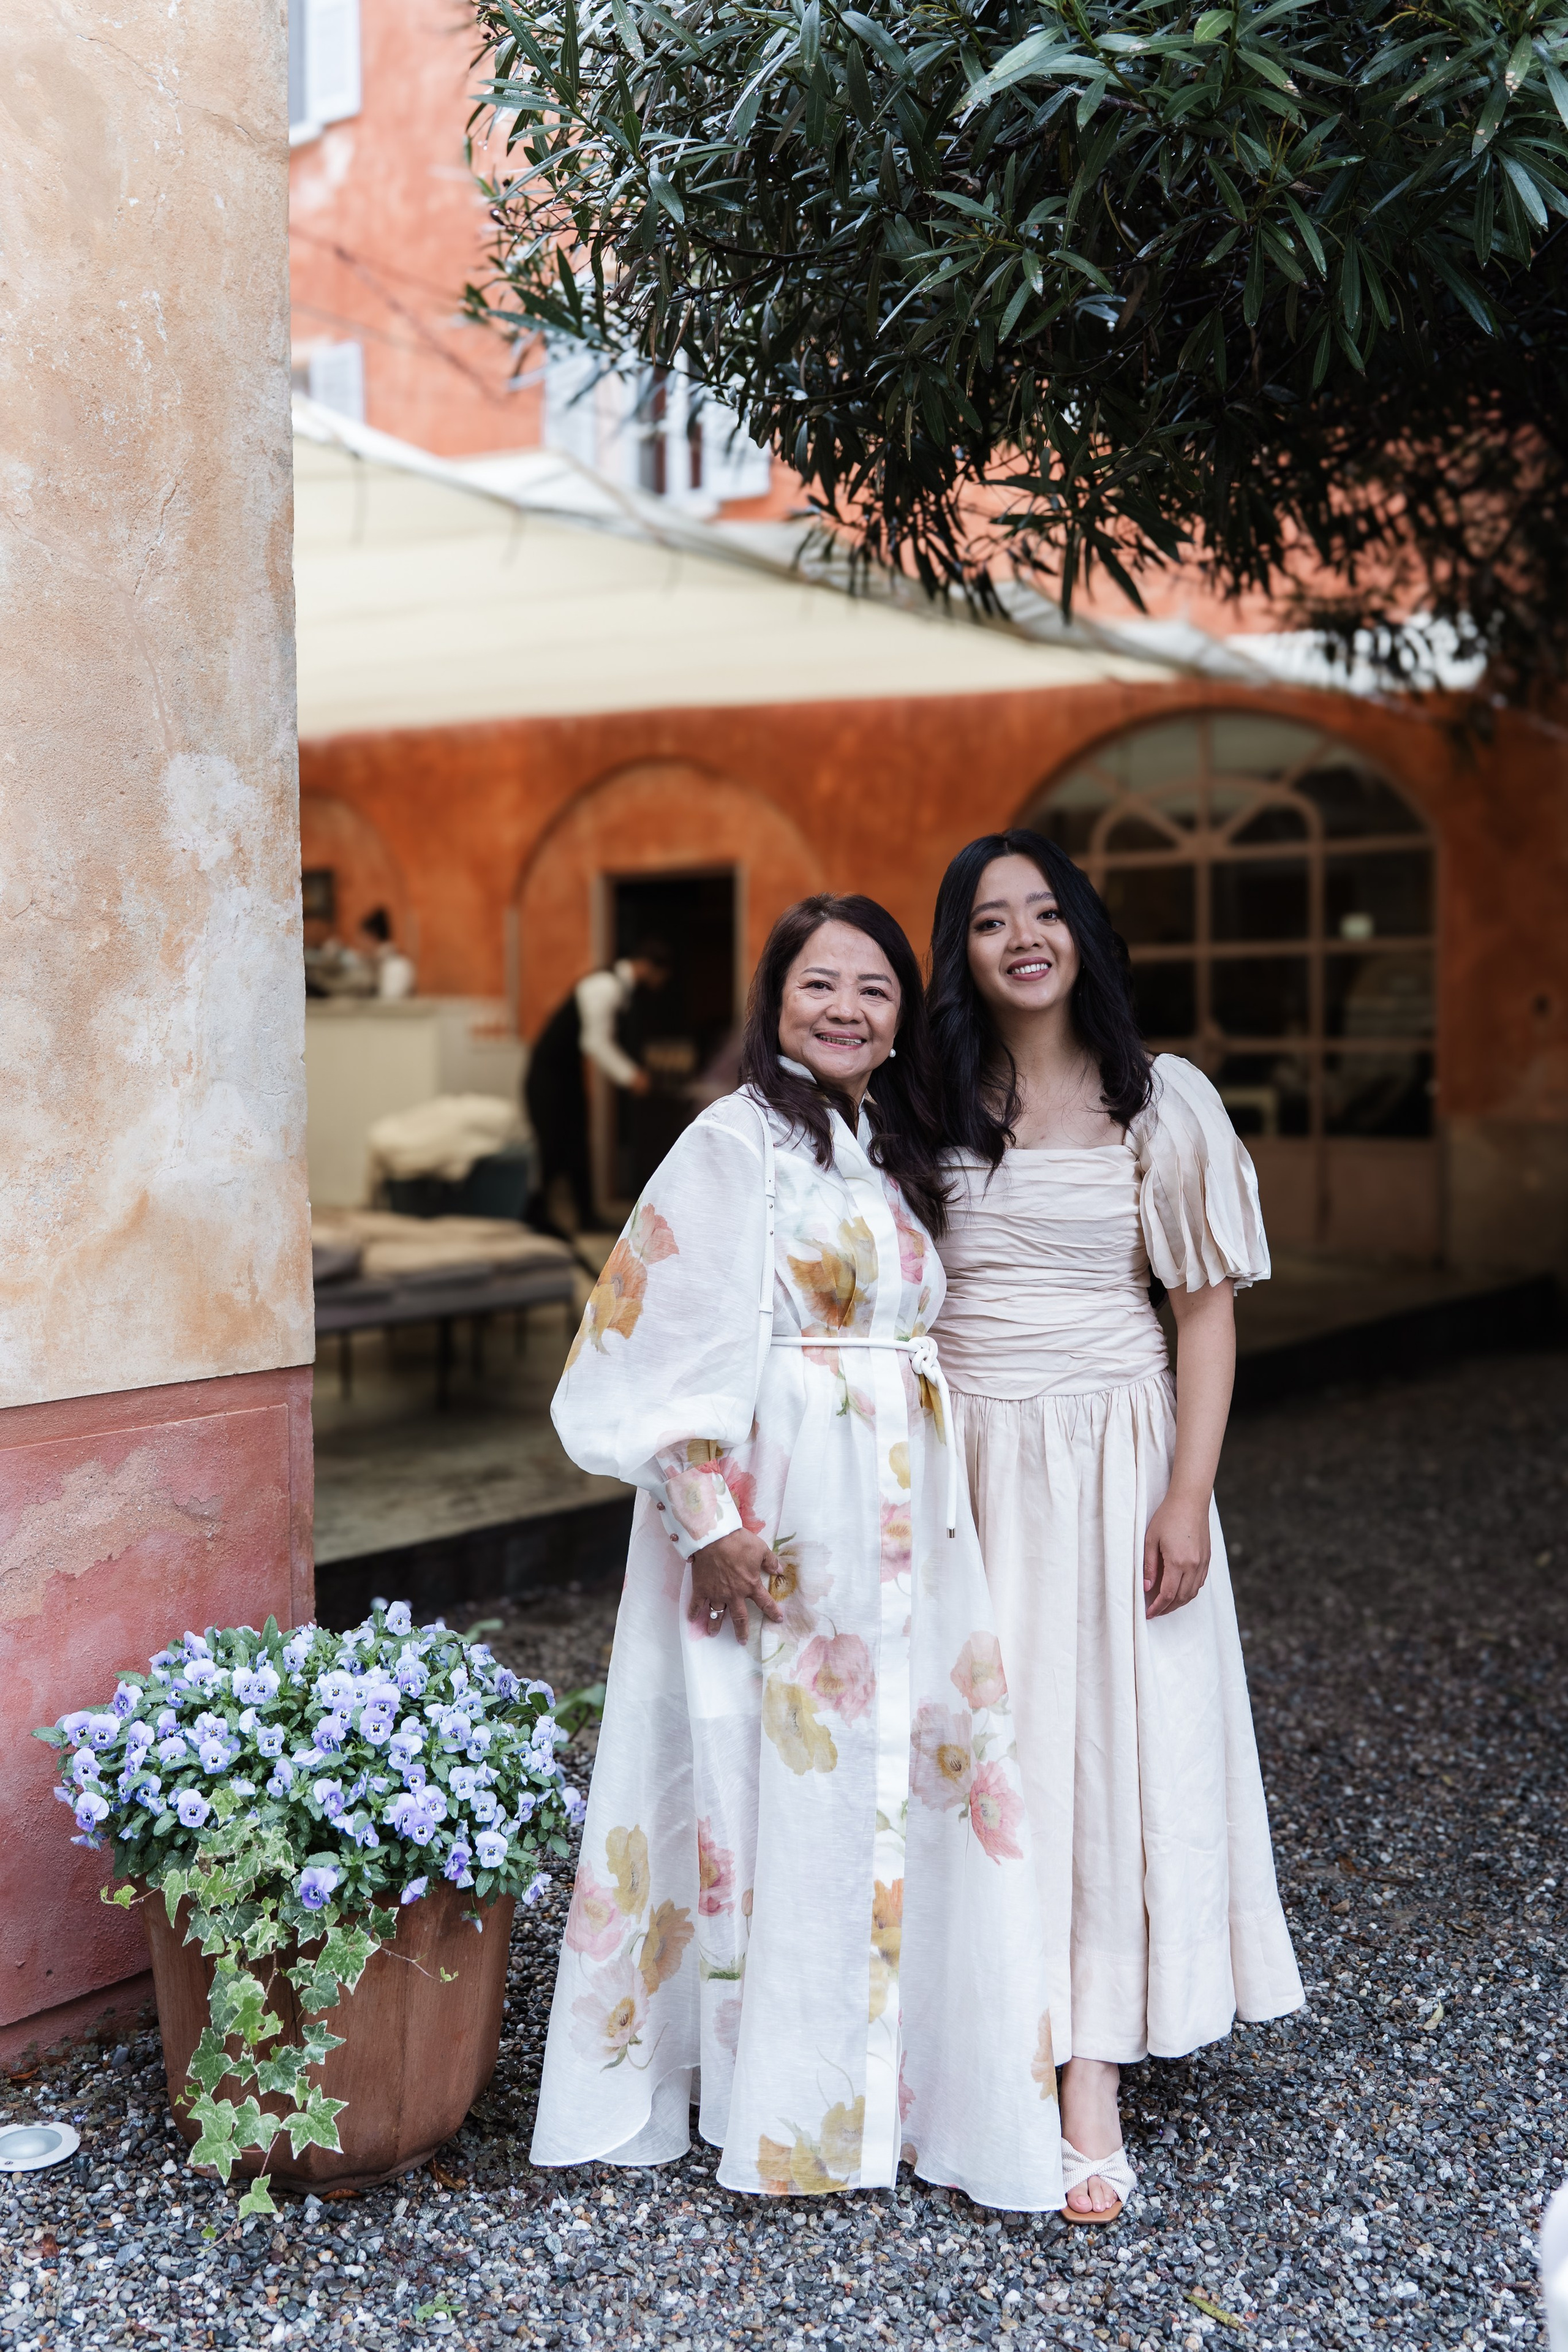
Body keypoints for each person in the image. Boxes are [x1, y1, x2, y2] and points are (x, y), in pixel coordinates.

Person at [530, 895, 1066, 2211]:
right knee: (765, 1783)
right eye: (817, 984)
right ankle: (782, 2094)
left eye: (873, 989)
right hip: (781, 1508)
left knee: (896, 1783)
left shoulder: (888, 1143)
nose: (845, 1008)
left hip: (901, 1512)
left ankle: (896, 2080)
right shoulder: (732, 1143)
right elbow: (654, 1343)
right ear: (773, 1002)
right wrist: (708, 1526)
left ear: (899, 1019)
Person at [927, 831, 1303, 2223]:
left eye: (1041, 910)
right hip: (967, 1461)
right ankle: (975, 2026)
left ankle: (1086, 2064)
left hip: (1116, 1456)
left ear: (1078, 928)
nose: (1019, 934)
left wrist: (1186, 1494)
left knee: (1099, 1750)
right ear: (956, 954)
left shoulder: (1163, 1100)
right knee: (985, 1747)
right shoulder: (928, 1096)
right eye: (985, 919)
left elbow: (1200, 1307)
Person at [524, 942, 671, 1236]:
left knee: (578, 1144)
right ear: (646, 966)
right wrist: (632, 1076)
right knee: (552, 1146)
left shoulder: (617, 987)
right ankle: (533, 1214)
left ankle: (585, 1216)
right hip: (547, 1077)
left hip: (567, 1075)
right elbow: (595, 1042)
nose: (659, 985)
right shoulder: (604, 987)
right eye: (659, 976)